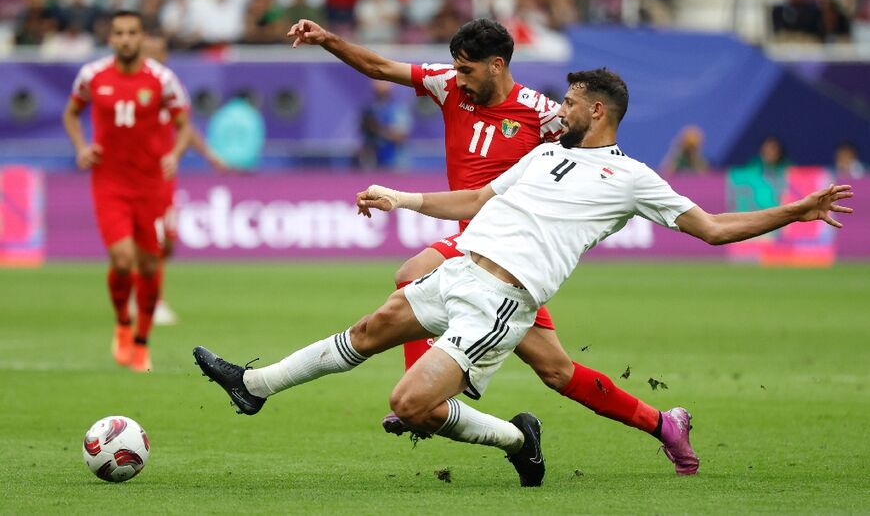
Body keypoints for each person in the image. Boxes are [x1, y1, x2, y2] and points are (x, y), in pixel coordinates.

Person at [193, 69, 853, 486]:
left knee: (410, 405)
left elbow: (710, 227)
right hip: (458, 269)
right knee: (371, 327)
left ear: (598, 110)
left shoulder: (632, 177)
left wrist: (791, 211)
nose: (557, 111)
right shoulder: (543, 155)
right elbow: (478, 201)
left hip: (502, 303)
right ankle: (254, 386)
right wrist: (403, 198)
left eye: (569, 103)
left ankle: (517, 436)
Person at [285, 17, 699, 475]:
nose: (457, 77)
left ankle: (424, 393)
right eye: (456, 68)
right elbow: (380, 67)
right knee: (556, 371)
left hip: (504, 246)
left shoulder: (542, 113)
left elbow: (590, 157)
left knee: (413, 275)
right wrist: (326, 40)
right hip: (480, 251)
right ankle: (664, 425)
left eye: (466, 69)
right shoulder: (448, 85)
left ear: (497, 65)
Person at [63, 10, 193, 372]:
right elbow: (71, 114)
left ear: (141, 37)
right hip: (109, 182)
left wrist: (175, 153)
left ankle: (142, 341)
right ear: (111, 38)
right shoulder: (92, 75)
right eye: (118, 32)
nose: (125, 39)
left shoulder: (163, 79)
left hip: (150, 184)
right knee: (122, 260)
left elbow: (184, 125)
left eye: (132, 32)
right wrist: (81, 147)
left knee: (150, 265)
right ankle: (123, 323)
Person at [126, 33, 226, 326]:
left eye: (159, 53)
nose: (154, 59)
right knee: (149, 239)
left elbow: (185, 126)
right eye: (148, 53)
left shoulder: (169, 87)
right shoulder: (131, 88)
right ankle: (150, 300)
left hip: (164, 175)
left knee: (165, 243)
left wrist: (208, 154)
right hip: (139, 175)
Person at [356, 79, 412, 170]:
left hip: (395, 163)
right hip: (373, 163)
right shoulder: (369, 109)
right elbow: (364, 135)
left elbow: (400, 136)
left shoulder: (398, 109)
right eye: (377, 91)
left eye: (383, 91)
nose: (379, 94)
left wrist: (377, 128)